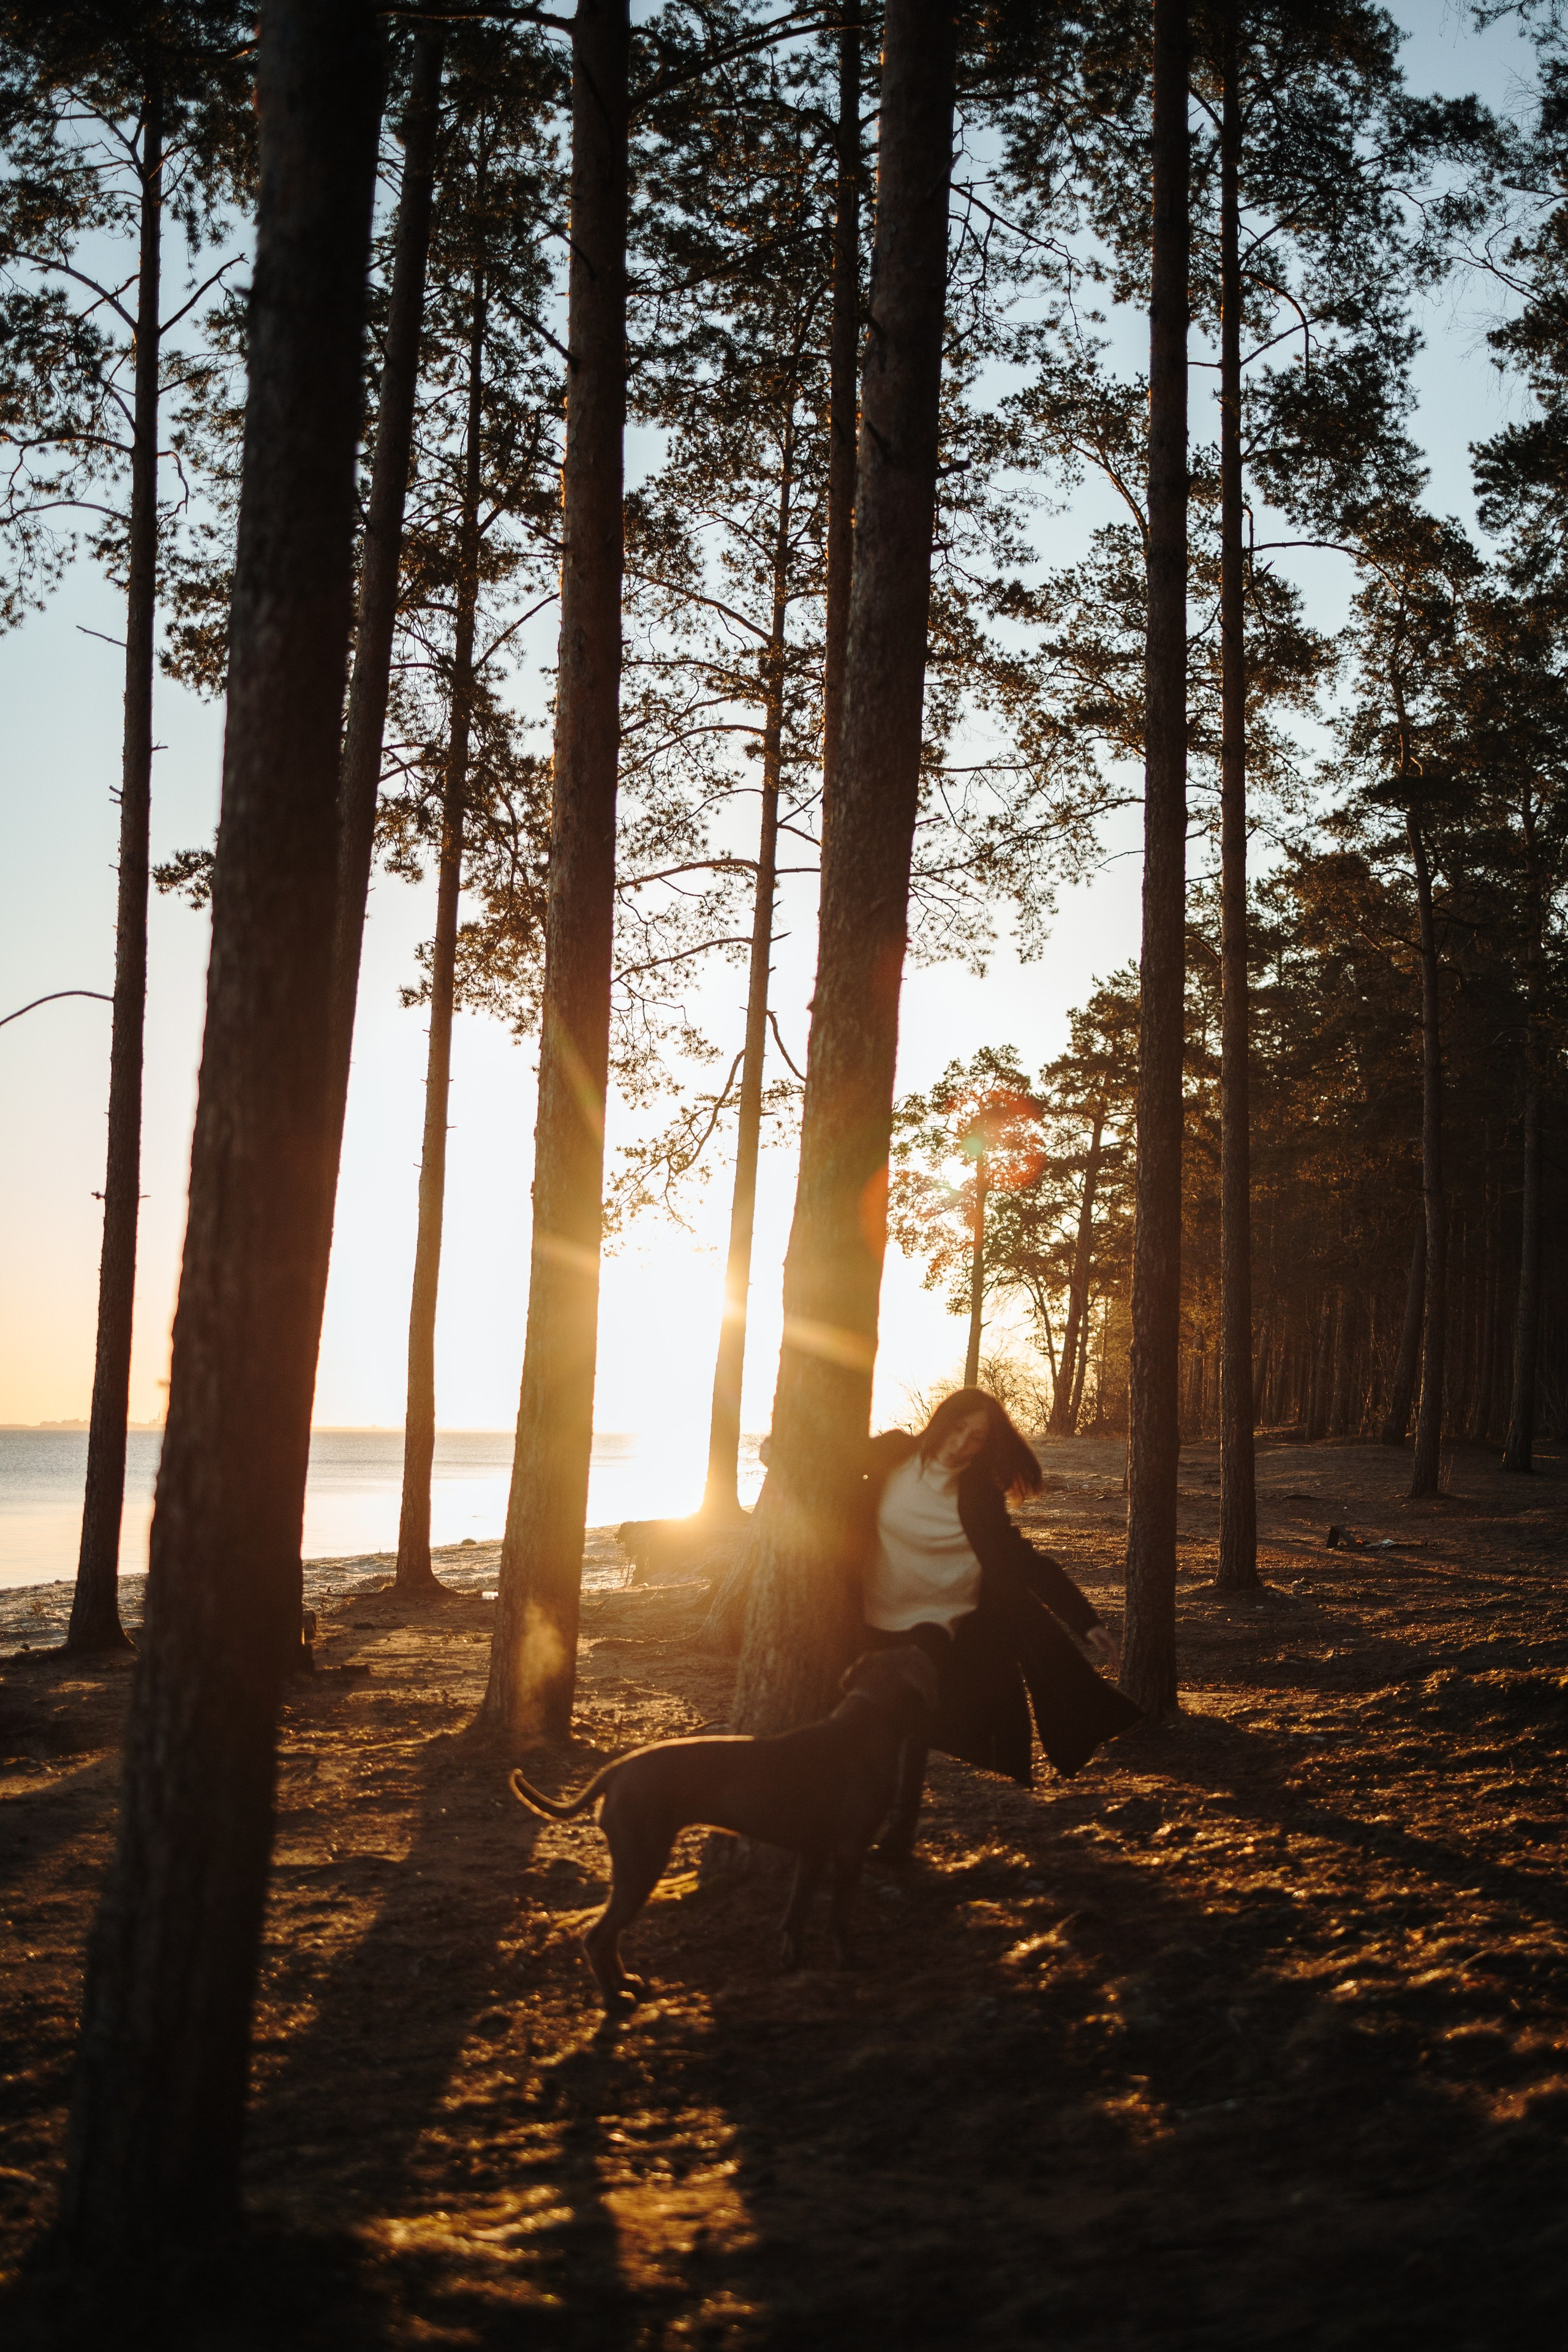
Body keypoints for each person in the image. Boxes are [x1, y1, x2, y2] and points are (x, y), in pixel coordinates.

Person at [859, 1387, 1141, 1860]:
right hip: (871, 1608)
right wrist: (775, 1453)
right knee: (860, 1717)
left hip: (940, 1619)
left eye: (975, 1438)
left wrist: (1085, 1620)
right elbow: (826, 1461)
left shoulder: (979, 1497)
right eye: (957, 1428)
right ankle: (853, 1818)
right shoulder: (894, 1452)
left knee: (907, 1721)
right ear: (940, 1421)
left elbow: (1025, 1561)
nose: (960, 1443)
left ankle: (898, 1834)